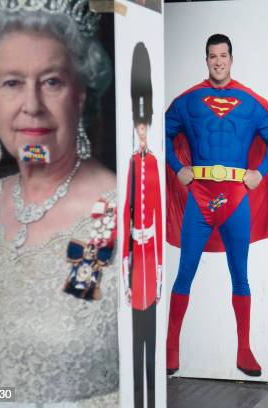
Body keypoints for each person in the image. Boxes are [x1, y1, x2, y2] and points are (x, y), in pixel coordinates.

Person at [0, 1, 118, 404]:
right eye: (11, 83)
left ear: (81, 92)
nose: (32, 106)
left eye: (52, 81)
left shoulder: (115, 213)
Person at [164, 33, 268, 377]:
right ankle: (171, 350)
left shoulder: (250, 102)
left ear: (231, 58)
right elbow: (161, 132)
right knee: (185, 273)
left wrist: (261, 171)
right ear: (206, 59)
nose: (218, 61)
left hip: (236, 199)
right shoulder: (189, 101)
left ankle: (244, 350)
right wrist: (176, 166)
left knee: (240, 276)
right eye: (212, 56)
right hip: (200, 197)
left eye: (223, 55)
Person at [122, 42, 162, 408]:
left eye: (145, 127)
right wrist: (125, 268)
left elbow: (160, 218)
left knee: (150, 341)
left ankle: (151, 399)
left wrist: (160, 270)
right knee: (137, 343)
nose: (143, 132)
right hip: (137, 264)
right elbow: (126, 212)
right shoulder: (132, 163)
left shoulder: (151, 165)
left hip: (152, 263)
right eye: (139, 127)